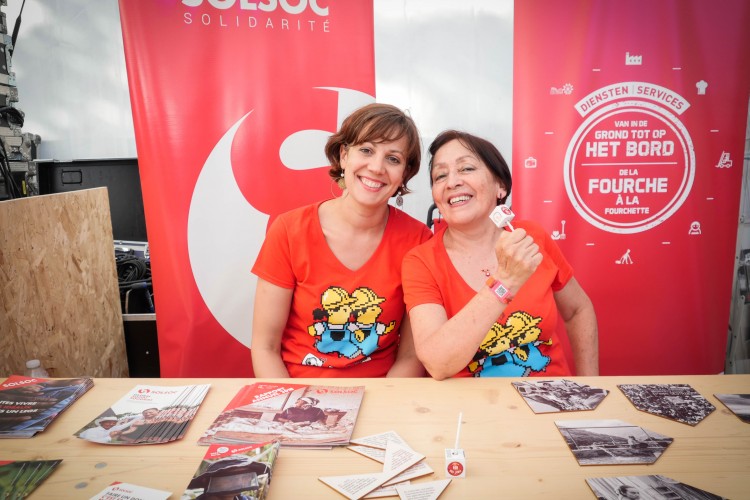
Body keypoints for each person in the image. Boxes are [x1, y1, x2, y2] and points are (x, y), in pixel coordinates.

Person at [251, 103, 432, 378]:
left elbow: (411, 355)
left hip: (383, 396)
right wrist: (292, 410)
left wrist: (383, 410)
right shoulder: (289, 230)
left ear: (404, 174)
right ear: (344, 155)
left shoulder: (418, 240)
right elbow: (264, 347)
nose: (377, 167)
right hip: (300, 396)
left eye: (393, 159)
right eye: (366, 150)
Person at [402, 130, 598, 379]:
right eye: (440, 176)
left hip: (551, 399)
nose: (451, 182)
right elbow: (438, 364)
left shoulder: (532, 238)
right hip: (469, 412)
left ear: (500, 187)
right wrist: (505, 281)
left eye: (466, 169)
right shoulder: (421, 261)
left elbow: (578, 309)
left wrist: (590, 384)